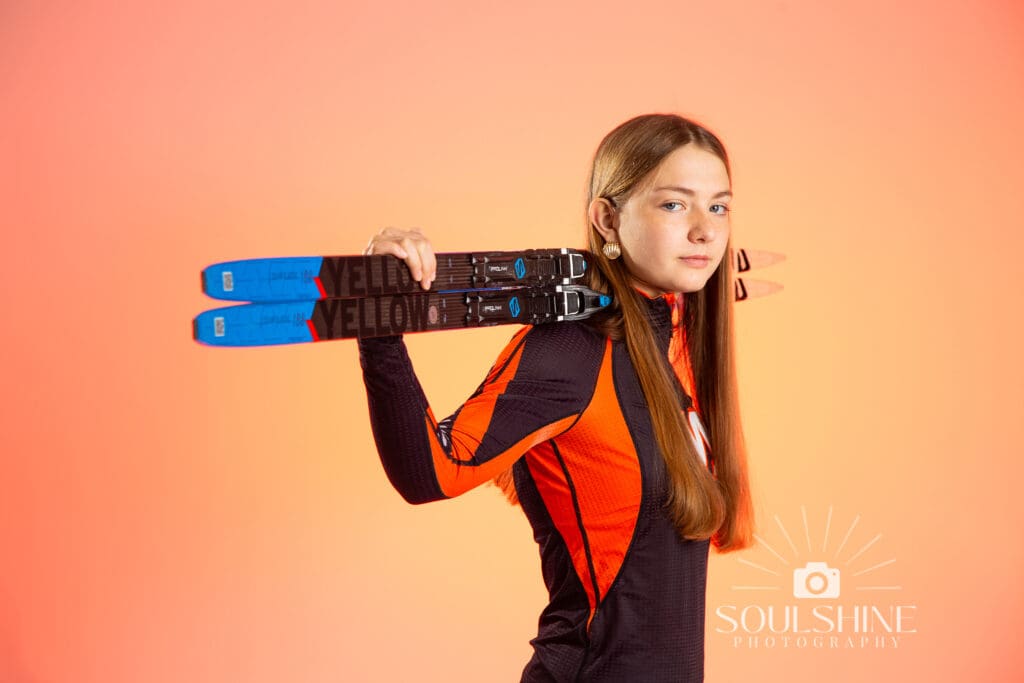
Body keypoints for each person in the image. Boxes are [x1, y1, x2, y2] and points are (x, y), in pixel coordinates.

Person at [357, 113, 754, 682]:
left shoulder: (673, 339)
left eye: (718, 206)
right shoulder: (570, 351)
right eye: (674, 204)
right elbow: (431, 474)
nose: (705, 230)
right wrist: (381, 320)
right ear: (607, 218)